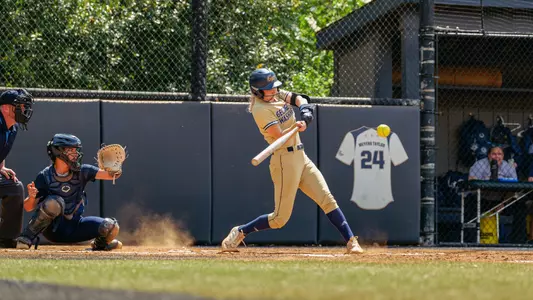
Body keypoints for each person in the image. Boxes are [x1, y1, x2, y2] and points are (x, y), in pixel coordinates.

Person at [220, 68, 364, 254]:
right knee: (279, 219)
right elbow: (279, 135)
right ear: (258, 91)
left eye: (274, 88)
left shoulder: (276, 94)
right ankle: (241, 231)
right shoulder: (260, 109)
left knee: (327, 199)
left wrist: (305, 111)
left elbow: (299, 98)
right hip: (283, 162)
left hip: (301, 157)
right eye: (269, 89)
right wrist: (298, 126)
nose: (274, 91)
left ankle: (352, 242)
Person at [15, 133, 123, 250]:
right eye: (71, 150)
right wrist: (31, 197)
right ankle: (26, 238)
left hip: (75, 226)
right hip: (53, 229)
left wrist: (116, 168)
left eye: (76, 150)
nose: (76, 154)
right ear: (59, 152)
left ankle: (99, 245)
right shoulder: (45, 176)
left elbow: (112, 175)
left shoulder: (83, 171)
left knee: (111, 226)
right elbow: (27, 207)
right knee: (54, 203)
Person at [0, 89, 34, 248]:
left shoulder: (12, 128)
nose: (23, 110)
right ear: (5, 108)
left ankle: (7, 239)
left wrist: (1, 166)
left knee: (14, 187)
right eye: (18, 106)